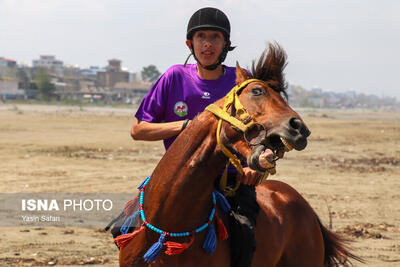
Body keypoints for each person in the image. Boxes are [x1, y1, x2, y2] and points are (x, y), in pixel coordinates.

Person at [131, 7, 261, 267]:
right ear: (190, 43)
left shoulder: (240, 82)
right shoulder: (174, 77)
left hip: (229, 183)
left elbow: (256, 133)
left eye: (215, 37)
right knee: (123, 228)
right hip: (178, 179)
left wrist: (251, 165)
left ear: (226, 44)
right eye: (201, 36)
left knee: (245, 238)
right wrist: (186, 127)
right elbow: (138, 130)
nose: (208, 44)